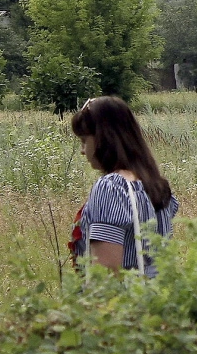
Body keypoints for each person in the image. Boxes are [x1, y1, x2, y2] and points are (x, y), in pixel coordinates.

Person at [68, 97, 177, 277]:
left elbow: (106, 273)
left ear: (103, 138)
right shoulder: (157, 186)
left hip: (125, 302)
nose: (82, 150)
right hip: (159, 299)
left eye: (84, 140)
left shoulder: (111, 188)